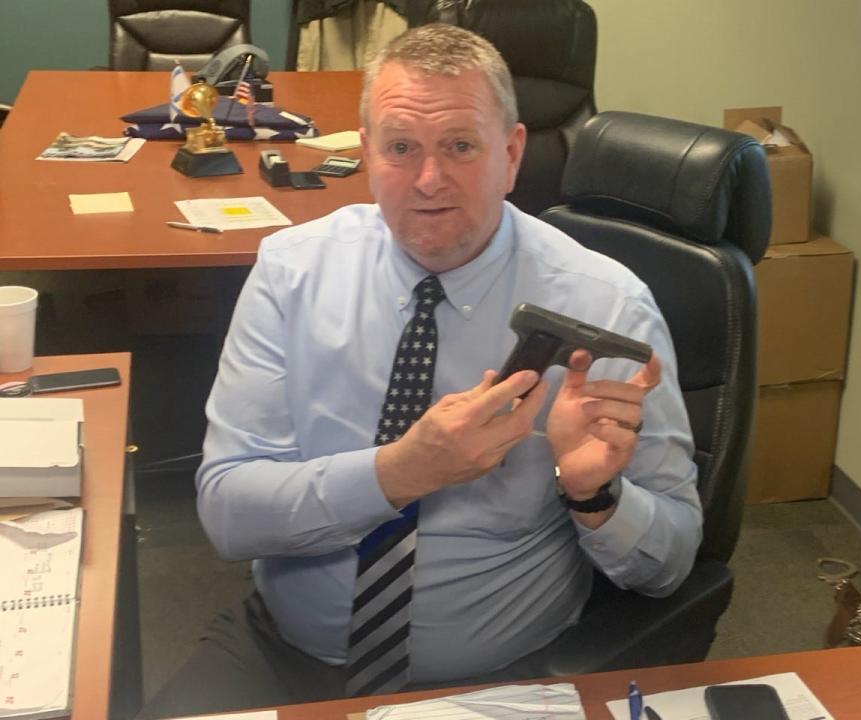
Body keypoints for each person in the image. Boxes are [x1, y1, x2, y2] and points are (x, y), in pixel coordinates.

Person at [139, 23, 701, 718]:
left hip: (498, 681)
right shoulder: (292, 273)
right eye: (401, 147)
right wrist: (403, 470)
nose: (430, 181)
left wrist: (595, 497)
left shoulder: (606, 305)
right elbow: (228, 514)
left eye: (460, 146)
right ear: (367, 151)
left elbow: (672, 560)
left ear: (512, 152)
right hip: (284, 653)